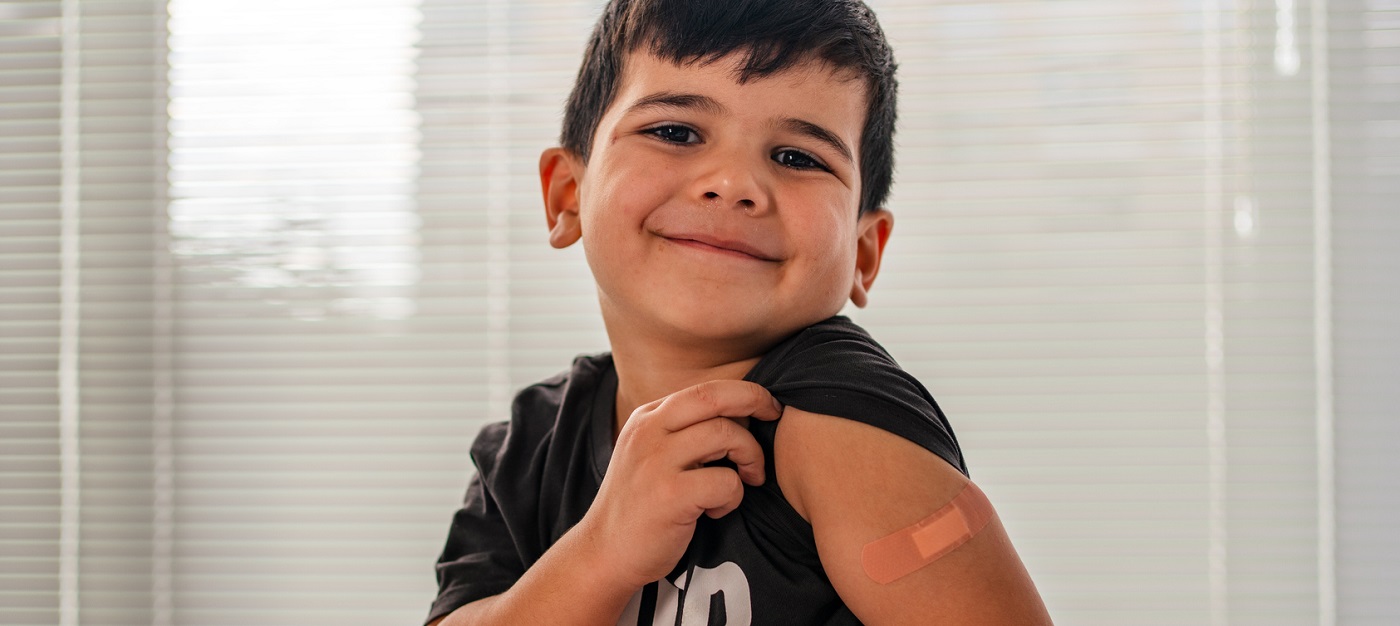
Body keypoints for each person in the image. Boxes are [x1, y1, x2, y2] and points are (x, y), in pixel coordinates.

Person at [427, 0, 1052, 623]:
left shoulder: (838, 419)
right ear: (567, 195)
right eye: (675, 132)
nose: (732, 182)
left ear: (864, 253)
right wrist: (598, 554)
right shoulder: (524, 450)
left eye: (797, 157)